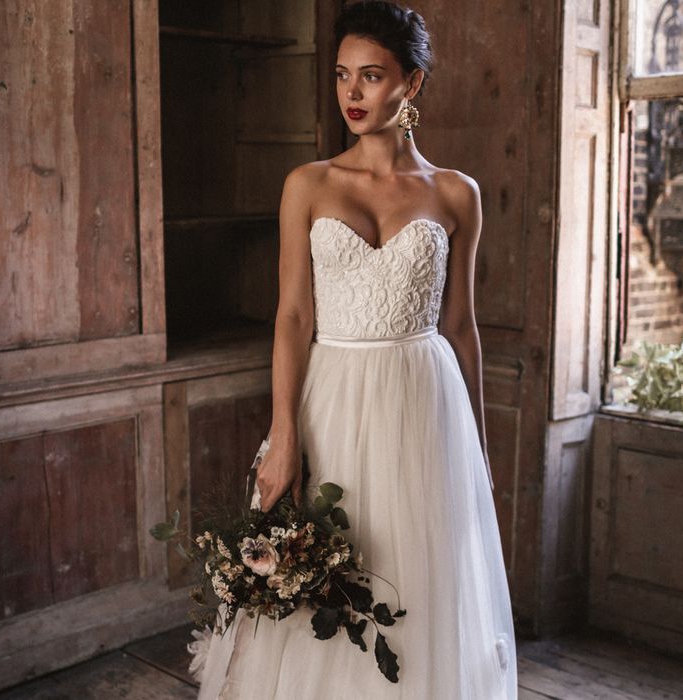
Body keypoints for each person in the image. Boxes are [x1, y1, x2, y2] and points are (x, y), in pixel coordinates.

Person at [193, 2, 518, 697]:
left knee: (414, 569)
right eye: (344, 76)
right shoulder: (307, 185)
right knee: (322, 568)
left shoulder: (457, 194)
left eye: (372, 76)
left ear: (414, 83)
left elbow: (461, 327)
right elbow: (291, 314)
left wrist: (480, 451)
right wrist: (284, 434)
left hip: (425, 404)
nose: (352, 94)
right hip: (332, 396)